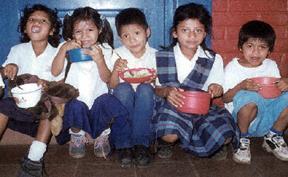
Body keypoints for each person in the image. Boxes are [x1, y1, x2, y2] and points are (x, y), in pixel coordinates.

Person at [153, 2, 239, 159]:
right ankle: (168, 140)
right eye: (185, 30)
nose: (192, 36)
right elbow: (155, 88)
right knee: (169, 134)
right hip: (173, 106)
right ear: (175, 33)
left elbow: (217, 87)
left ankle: (197, 136)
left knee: (226, 135)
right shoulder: (161, 57)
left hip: (200, 108)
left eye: (198, 30)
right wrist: (166, 92)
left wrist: (215, 88)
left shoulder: (213, 59)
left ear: (205, 33)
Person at [51, 6, 132, 167]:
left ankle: (102, 135)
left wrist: (100, 60)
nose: (84, 36)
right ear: (72, 33)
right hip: (76, 105)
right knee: (74, 104)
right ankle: (77, 136)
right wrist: (62, 51)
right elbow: (55, 72)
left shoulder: (105, 49)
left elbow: (108, 80)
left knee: (107, 100)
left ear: (100, 29)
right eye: (78, 32)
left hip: (97, 105)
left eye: (90, 30)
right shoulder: (68, 47)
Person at [0, 4, 62, 176]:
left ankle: (33, 160)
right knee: (4, 104)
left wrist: (47, 84)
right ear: (25, 28)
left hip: (43, 112)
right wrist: (7, 68)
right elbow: (3, 72)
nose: (36, 23)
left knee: (51, 105)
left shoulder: (57, 53)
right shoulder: (17, 50)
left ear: (51, 30)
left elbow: (62, 83)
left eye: (43, 20)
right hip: (20, 106)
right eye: (32, 20)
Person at [223, 20, 288, 164]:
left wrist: (285, 83)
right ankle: (242, 140)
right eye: (250, 46)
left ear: (269, 50)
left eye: (262, 47)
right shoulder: (233, 67)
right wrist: (240, 86)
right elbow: (225, 98)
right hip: (241, 121)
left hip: (267, 120)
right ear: (241, 47)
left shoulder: (271, 65)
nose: (255, 52)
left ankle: (273, 136)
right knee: (250, 97)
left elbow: (277, 94)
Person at [109, 8, 157, 168]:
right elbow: (112, 85)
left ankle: (141, 145)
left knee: (145, 89)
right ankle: (123, 145)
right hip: (123, 101)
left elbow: (161, 88)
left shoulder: (156, 56)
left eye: (137, 33)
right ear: (120, 38)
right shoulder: (116, 54)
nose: (132, 39)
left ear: (147, 32)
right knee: (122, 89)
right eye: (126, 36)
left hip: (147, 103)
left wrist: (154, 80)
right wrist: (116, 69)